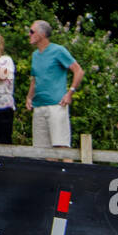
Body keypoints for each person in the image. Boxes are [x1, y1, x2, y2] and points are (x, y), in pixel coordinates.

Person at [25, 20, 83, 152]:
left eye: (32, 31)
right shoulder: (35, 55)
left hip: (57, 105)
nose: (29, 34)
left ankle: (70, 167)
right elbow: (35, 79)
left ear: (42, 34)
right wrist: (29, 97)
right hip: (38, 106)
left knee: (62, 147)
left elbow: (78, 71)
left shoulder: (58, 51)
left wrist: (70, 93)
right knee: (43, 152)